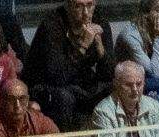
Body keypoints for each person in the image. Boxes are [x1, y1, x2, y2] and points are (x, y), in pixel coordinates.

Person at [26, 0, 116, 129]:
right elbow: (57, 77)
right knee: (64, 97)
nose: (86, 13)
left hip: (80, 83)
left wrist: (100, 47)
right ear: (68, 6)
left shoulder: (100, 22)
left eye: (89, 5)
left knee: (116, 88)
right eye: (78, 6)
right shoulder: (52, 25)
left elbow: (108, 75)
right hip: (46, 85)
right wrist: (83, 46)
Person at [116, 0, 159, 106]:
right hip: (129, 81)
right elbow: (153, 71)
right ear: (146, 14)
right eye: (158, 10)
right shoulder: (130, 35)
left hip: (152, 80)